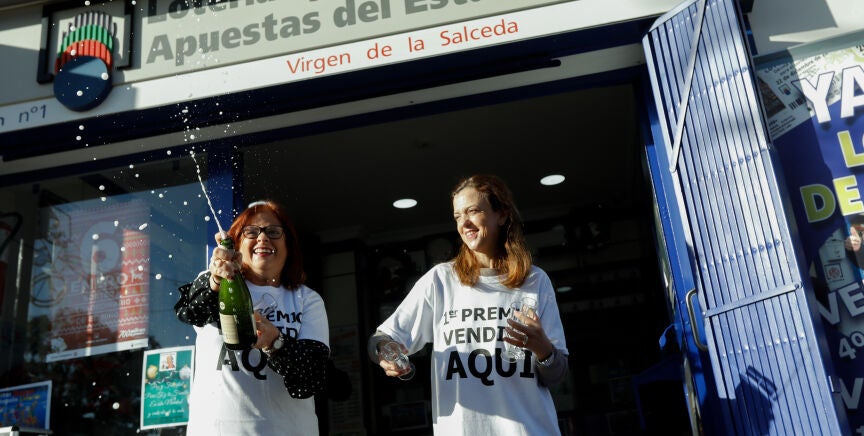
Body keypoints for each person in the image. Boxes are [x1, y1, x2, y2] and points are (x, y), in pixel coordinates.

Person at [367, 174, 569, 435]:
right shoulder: (441, 280)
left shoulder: (535, 281)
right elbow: (382, 338)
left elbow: (557, 375)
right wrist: (387, 351)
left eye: (473, 211)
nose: (464, 223)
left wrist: (543, 349)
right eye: (458, 216)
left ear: (502, 215)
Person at [175, 200, 330, 435]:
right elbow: (189, 312)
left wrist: (275, 343)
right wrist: (215, 280)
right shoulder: (214, 282)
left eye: (274, 232)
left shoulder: (307, 299)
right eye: (251, 232)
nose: (263, 238)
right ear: (236, 243)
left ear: (289, 245)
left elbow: (312, 378)